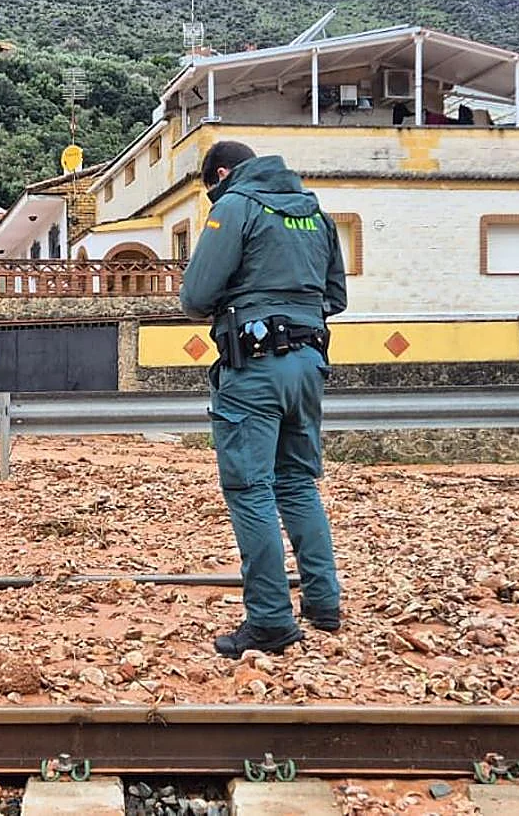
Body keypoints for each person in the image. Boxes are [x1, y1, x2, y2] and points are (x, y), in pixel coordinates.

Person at [180, 141, 347, 658]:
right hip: (308, 364)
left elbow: (195, 297)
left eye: (211, 188)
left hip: (255, 369)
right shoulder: (316, 212)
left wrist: (245, 299)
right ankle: (323, 604)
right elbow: (335, 298)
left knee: (250, 489)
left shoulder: (235, 206)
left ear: (223, 173)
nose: (213, 197)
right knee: (296, 483)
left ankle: (271, 621)